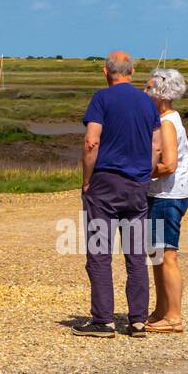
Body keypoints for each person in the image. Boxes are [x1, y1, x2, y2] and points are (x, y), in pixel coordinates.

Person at [73, 50, 162, 338]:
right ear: (132, 72)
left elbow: (91, 142)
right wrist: (144, 175)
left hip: (105, 185)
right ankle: (137, 320)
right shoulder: (148, 104)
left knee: (99, 253)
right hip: (137, 187)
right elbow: (156, 147)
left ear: (105, 72)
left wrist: (87, 180)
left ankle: (103, 320)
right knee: (136, 255)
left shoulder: (101, 99)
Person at [143, 67, 188, 333]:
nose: (144, 91)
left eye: (148, 88)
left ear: (160, 93)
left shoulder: (167, 123)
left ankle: (174, 316)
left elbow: (169, 164)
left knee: (167, 255)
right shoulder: (167, 118)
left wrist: (141, 170)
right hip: (162, 194)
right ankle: (161, 309)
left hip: (167, 195)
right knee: (158, 255)